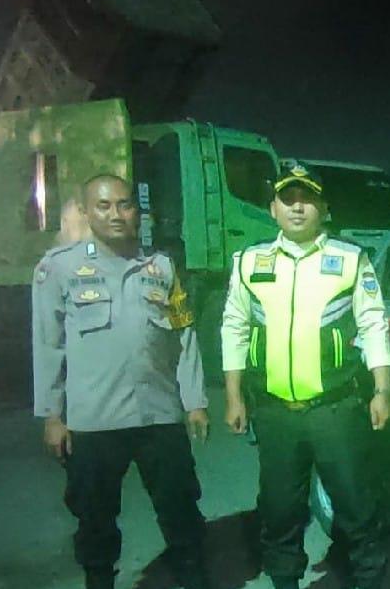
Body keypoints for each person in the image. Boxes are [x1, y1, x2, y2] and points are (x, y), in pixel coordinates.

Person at [32, 174, 210, 589]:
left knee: (181, 509)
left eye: (125, 205)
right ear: (87, 212)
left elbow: (183, 336)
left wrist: (195, 401)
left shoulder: (161, 268)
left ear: (137, 211)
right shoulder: (59, 269)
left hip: (158, 415)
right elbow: (47, 345)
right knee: (95, 519)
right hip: (94, 420)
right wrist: (52, 416)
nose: (116, 214)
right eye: (104, 205)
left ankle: (193, 577)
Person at [221, 159, 390, 589]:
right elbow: (234, 326)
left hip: (337, 410)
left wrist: (381, 390)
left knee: (359, 511)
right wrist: (234, 395)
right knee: (279, 512)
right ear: (273, 208)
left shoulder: (350, 260)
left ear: (324, 209)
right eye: (288, 198)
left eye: (307, 199)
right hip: (275, 414)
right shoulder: (250, 262)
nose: (297, 207)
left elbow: (374, 324)